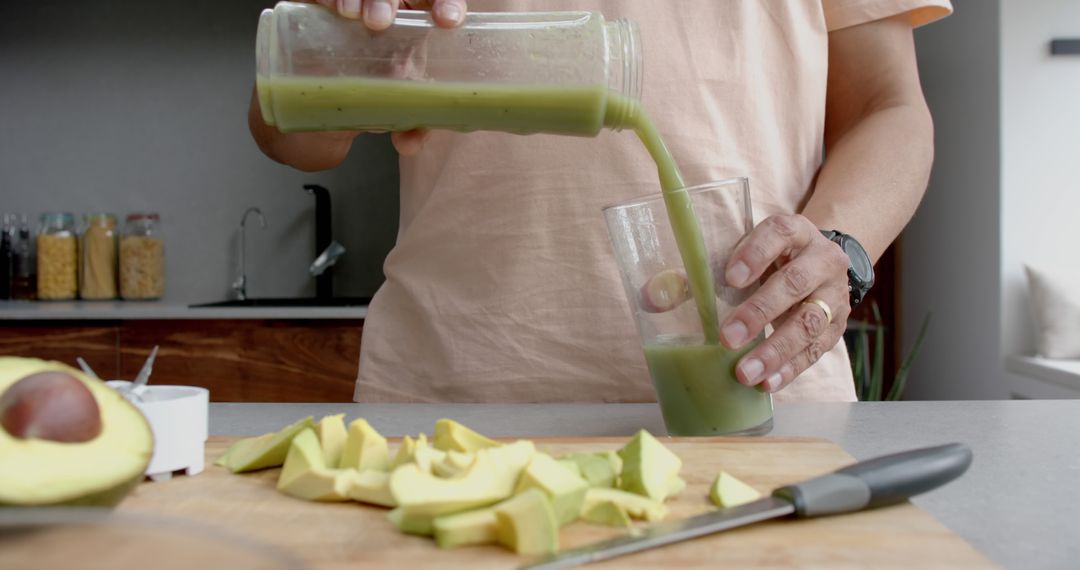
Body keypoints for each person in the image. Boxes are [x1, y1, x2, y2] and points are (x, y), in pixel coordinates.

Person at [251, 0, 952, 403]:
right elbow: (288, 132)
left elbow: (889, 108)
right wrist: (335, 45)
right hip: (461, 401)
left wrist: (844, 245)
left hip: (761, 394)